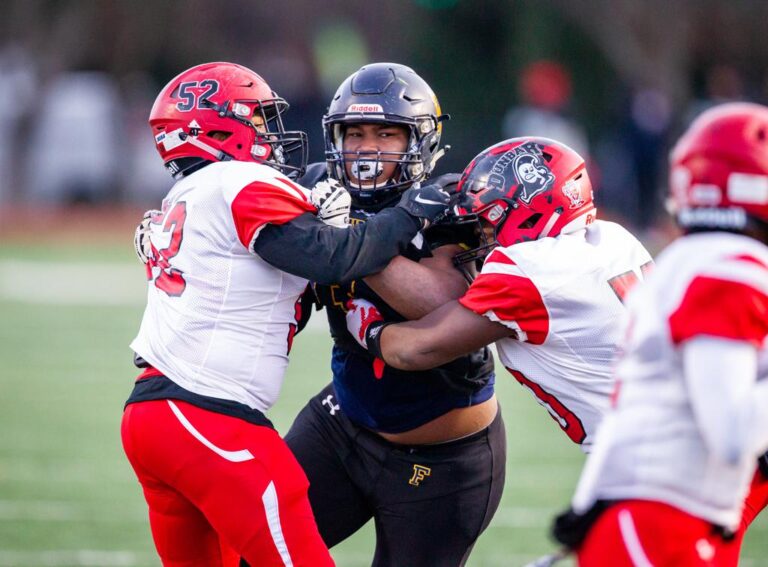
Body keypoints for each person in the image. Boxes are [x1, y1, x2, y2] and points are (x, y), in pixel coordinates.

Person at [121, 61, 451, 567]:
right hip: (209, 418)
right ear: (218, 129)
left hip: (150, 415)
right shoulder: (240, 183)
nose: (271, 135)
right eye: (257, 121)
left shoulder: (185, 195)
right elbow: (331, 257)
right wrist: (406, 215)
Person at [283, 63, 506, 567]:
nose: (367, 149)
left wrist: (348, 236)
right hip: (343, 422)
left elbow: (444, 306)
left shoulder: (448, 202)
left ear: (420, 141)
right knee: (251, 547)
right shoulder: (318, 187)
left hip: (444, 454)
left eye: (386, 133)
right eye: (355, 133)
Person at [549, 102, 768, 567]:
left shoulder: (694, 259)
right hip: (663, 524)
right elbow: (732, 433)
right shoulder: (728, 269)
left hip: (660, 515)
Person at [346, 136, 653, 452]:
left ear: (528, 209)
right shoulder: (616, 238)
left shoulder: (531, 270)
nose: (481, 234)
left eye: (488, 220)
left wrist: (369, 327)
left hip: (646, 455)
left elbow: (413, 349)